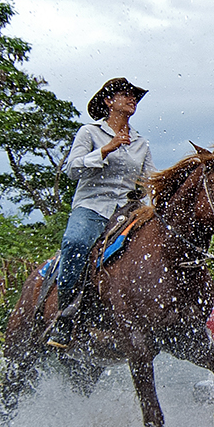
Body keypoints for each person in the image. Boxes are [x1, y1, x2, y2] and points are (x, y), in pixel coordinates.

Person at [46, 77, 156, 349]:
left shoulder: (142, 143)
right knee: (75, 243)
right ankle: (65, 317)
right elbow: (72, 169)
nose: (133, 99)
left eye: (135, 97)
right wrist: (106, 150)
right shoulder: (89, 133)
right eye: (126, 95)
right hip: (92, 208)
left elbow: (149, 181)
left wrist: (152, 206)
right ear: (108, 101)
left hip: (128, 212)